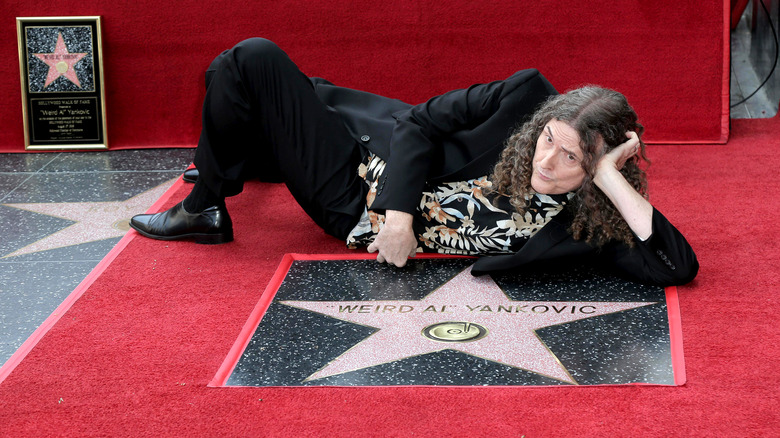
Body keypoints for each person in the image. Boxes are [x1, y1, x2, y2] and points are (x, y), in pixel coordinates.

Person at [130, 38, 698, 287]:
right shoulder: (524, 95)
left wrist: (608, 178)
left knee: (250, 61)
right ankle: (235, 164)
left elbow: (677, 266)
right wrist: (399, 213)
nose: (547, 161)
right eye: (548, 139)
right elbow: (420, 123)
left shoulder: (587, 219)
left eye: (573, 158)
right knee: (223, 78)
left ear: (599, 168)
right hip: (375, 161)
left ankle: (206, 206)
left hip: (350, 200)